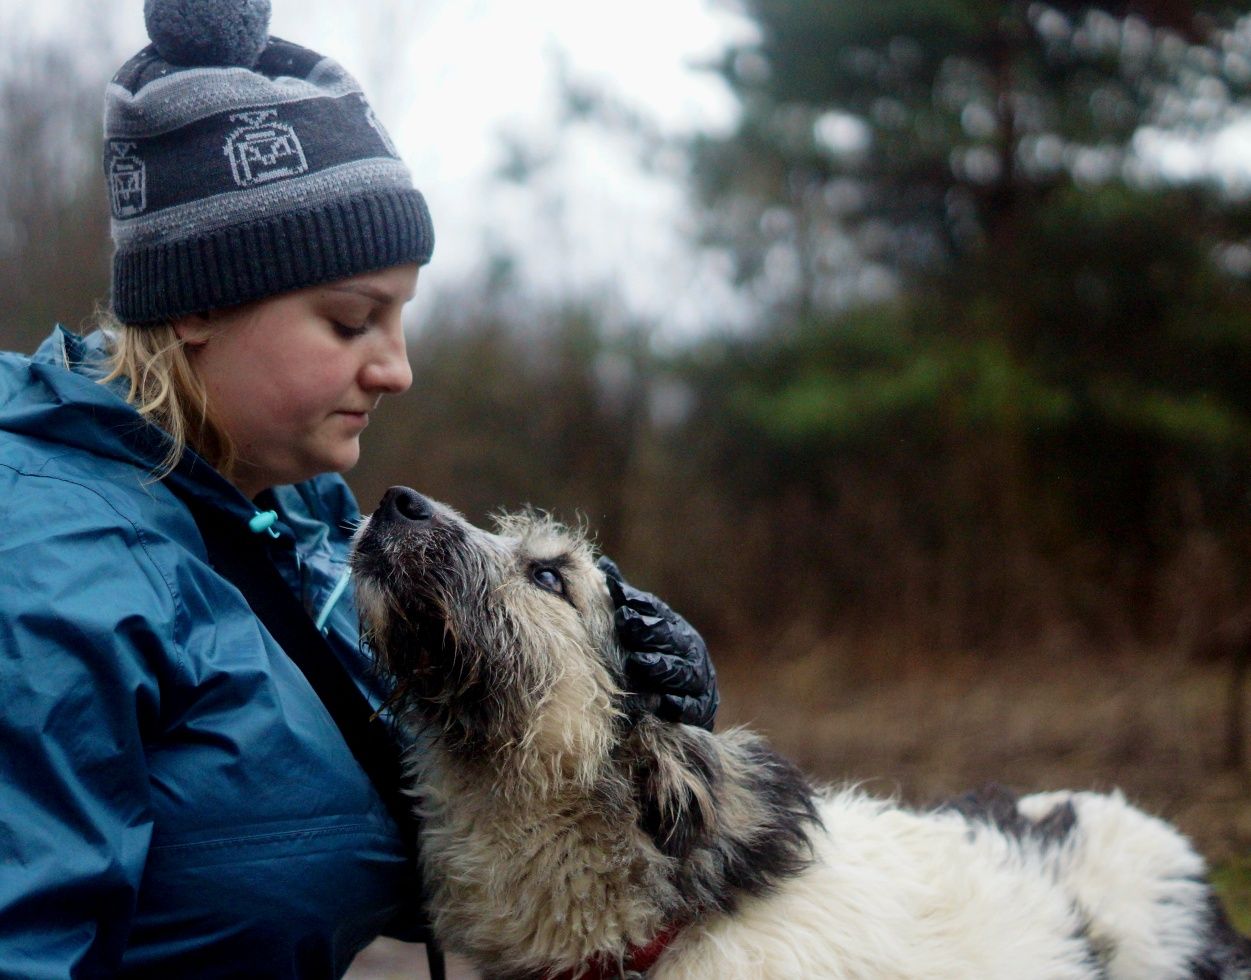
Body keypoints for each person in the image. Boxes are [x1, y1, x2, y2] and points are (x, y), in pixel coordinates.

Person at [0, 1, 718, 976]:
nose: (397, 368)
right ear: (200, 300)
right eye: (352, 320)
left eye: (402, 318)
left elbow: (415, 787)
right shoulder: (45, 580)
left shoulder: (285, 512)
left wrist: (610, 664)